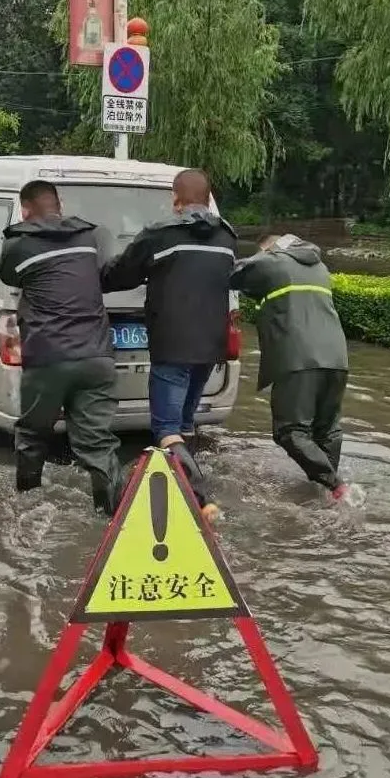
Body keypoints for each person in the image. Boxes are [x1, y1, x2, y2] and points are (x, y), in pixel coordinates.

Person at [100, 168, 235, 522]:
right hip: (211, 349)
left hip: (173, 346)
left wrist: (87, 277)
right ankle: (184, 489)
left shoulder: (161, 235)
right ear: (207, 199)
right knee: (185, 422)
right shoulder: (227, 237)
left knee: (166, 429)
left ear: (175, 200)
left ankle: (202, 500)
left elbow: (122, 273)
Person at [0, 180, 125, 516]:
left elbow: (8, 277)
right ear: (60, 204)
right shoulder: (89, 237)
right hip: (98, 356)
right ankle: (113, 519)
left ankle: (26, 511)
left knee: (32, 435)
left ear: (25, 210)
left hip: (48, 358)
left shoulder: (19, 244)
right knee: (97, 444)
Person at [230, 233, 349, 500]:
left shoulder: (273, 262)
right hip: (337, 358)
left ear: (270, 249)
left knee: (290, 431)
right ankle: (324, 495)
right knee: (326, 430)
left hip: (298, 358)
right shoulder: (319, 267)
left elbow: (228, 272)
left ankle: (336, 486)